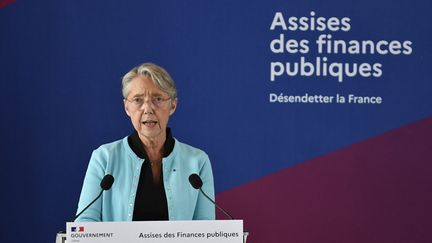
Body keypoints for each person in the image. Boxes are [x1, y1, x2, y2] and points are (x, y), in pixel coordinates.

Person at [75, 63, 215, 221]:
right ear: (126, 107)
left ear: (173, 105)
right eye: (138, 100)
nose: (148, 108)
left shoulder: (197, 162)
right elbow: (85, 224)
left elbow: (206, 228)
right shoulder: (104, 157)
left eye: (158, 99)